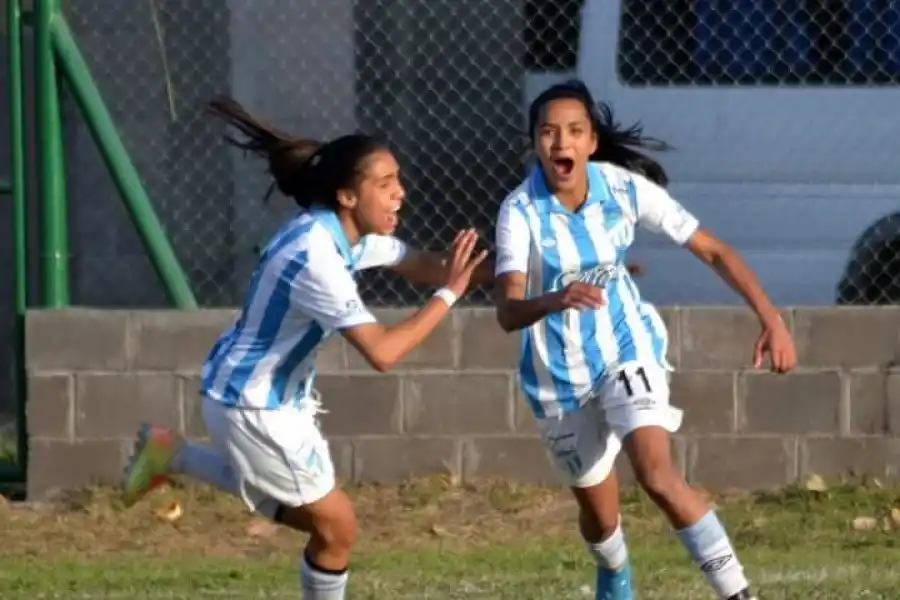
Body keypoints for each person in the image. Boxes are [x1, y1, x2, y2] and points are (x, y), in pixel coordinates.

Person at [120, 97, 491, 600]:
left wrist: (532, 275)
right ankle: (174, 456)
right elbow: (383, 353)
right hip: (254, 405)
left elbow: (426, 263)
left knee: (326, 521)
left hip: (264, 399)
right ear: (346, 196)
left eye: (397, 179)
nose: (400, 193)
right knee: (337, 528)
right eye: (385, 184)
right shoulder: (316, 257)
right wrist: (451, 294)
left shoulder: (343, 234)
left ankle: (173, 453)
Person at [492, 79, 796, 600]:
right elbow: (507, 310)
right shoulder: (519, 211)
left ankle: (738, 594)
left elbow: (713, 250)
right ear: (535, 144)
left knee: (656, 473)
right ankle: (614, 570)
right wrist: (554, 299)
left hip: (627, 350)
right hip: (557, 376)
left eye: (573, 131)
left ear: (590, 141)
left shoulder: (623, 188)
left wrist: (772, 317)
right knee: (599, 516)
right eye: (548, 133)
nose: (560, 143)